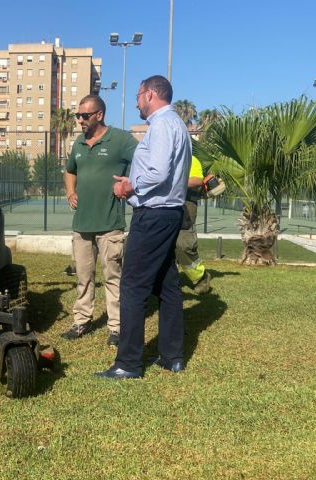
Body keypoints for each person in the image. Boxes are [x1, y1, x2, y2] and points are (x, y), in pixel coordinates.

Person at [96, 75, 191, 380]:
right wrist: (134, 184)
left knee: (133, 286)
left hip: (153, 215)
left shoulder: (162, 125)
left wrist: (129, 186)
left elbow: (159, 171)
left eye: (138, 95)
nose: (136, 101)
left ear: (151, 94)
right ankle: (172, 355)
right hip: (170, 212)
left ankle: (128, 363)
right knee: (166, 283)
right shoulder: (177, 125)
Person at [62, 95, 138, 346]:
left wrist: (129, 183)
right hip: (82, 225)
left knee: (113, 278)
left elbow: (142, 161)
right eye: (78, 116)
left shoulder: (121, 140)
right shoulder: (79, 144)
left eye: (85, 116)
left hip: (110, 225)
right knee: (83, 277)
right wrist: (71, 192)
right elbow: (70, 170)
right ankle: (82, 320)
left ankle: (116, 327)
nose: (80, 120)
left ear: (100, 115)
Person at [175, 155, 211, 294]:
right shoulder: (160, 157)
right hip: (162, 205)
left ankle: (201, 277)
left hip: (186, 204)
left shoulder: (190, 159)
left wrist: (172, 183)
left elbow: (197, 181)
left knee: (183, 245)